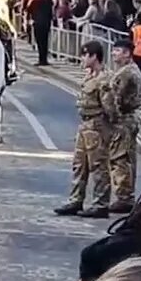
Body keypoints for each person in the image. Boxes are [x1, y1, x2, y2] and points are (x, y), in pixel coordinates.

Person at [55, 40, 111, 217]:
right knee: (79, 165)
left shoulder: (104, 79)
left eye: (85, 55)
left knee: (98, 166)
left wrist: (107, 127)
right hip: (84, 124)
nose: (82, 58)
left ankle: (101, 204)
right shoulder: (89, 76)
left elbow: (110, 107)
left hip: (96, 125)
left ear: (94, 57)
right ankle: (75, 200)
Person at [104, 39, 141, 212]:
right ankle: (125, 195)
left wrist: (110, 117)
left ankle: (124, 197)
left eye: (118, 50)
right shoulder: (128, 70)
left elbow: (116, 99)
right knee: (125, 158)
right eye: (113, 50)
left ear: (127, 53)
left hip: (123, 121)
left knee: (121, 159)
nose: (114, 53)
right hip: (127, 119)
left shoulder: (127, 73)